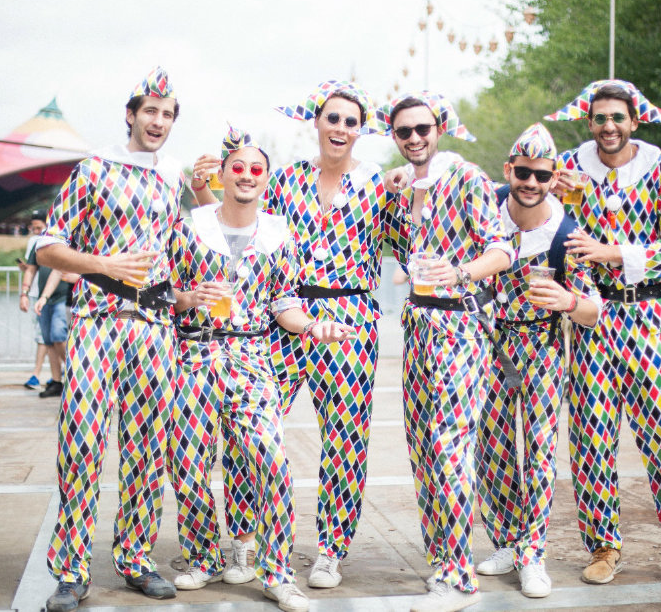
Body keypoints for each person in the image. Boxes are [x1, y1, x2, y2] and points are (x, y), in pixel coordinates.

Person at [189, 80, 391, 589]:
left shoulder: (380, 186)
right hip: (285, 311)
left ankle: (329, 549)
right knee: (248, 429)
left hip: (349, 318)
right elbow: (237, 217)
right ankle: (244, 541)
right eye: (333, 118)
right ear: (316, 122)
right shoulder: (288, 179)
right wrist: (202, 190)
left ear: (361, 129)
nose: (341, 128)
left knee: (345, 437)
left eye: (351, 120)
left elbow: (417, 235)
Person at [167, 126, 355, 611]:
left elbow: (283, 303)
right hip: (194, 353)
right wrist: (188, 299)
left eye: (256, 170)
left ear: (266, 179)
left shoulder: (278, 234)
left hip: (251, 357)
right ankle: (203, 556)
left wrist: (314, 327)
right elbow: (167, 292)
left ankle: (275, 571)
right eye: (238, 168)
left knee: (269, 462)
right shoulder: (191, 225)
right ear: (224, 174)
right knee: (188, 462)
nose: (246, 176)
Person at [35, 67, 191, 611]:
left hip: (155, 330)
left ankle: (135, 558)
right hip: (99, 323)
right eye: (150, 110)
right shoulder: (95, 169)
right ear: (130, 114)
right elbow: (46, 247)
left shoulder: (175, 178)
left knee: (148, 450)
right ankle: (72, 570)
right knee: (80, 445)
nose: (158, 121)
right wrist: (103, 263)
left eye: (168, 113)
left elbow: (181, 253)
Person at [545, 79, 661, 592]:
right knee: (591, 436)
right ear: (588, 122)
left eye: (617, 117)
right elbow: (564, 241)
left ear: (634, 120)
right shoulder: (570, 169)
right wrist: (582, 293)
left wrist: (614, 252)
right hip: (593, 314)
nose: (608, 126)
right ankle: (603, 547)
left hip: (651, 312)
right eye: (599, 118)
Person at [380, 92, 513, 612]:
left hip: (460, 326)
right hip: (417, 326)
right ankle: (443, 565)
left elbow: (503, 250)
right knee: (424, 451)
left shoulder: (468, 178)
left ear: (440, 128)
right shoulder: (405, 189)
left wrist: (460, 273)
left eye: (422, 129)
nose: (414, 138)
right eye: (404, 132)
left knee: (450, 449)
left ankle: (459, 580)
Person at [474, 123, 600, 599]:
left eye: (541, 175)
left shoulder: (566, 233)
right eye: (522, 173)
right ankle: (506, 540)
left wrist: (567, 301)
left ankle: (533, 553)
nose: (530, 183)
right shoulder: (485, 213)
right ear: (509, 170)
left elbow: (594, 312)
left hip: (543, 348)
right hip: (490, 346)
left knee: (541, 451)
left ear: (554, 177)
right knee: (494, 450)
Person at [24, 223, 75, 398]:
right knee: (49, 340)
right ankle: (57, 380)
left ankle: (72, 373)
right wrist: (42, 296)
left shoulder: (70, 240)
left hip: (65, 298)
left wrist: (79, 276)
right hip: (49, 298)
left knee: (58, 335)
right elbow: (54, 271)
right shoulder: (43, 244)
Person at [19, 209, 50, 390]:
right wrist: (25, 292)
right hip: (35, 292)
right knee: (43, 335)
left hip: (50, 294)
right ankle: (39, 373)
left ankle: (37, 374)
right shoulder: (33, 241)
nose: (37, 231)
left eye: (39, 228)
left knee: (49, 336)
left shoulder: (53, 240)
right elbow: (31, 268)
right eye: (34, 228)